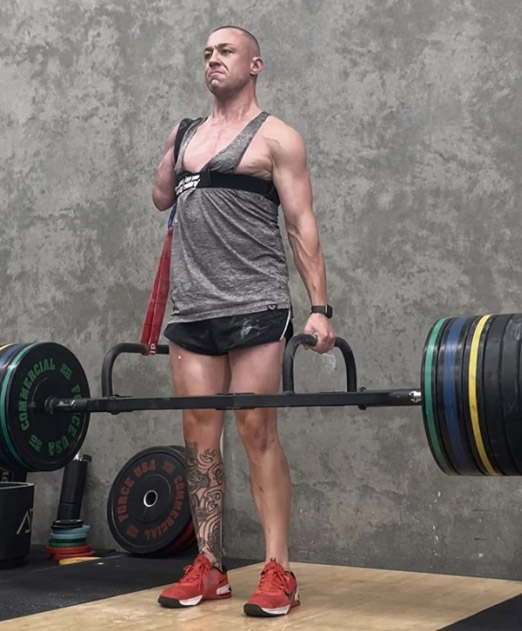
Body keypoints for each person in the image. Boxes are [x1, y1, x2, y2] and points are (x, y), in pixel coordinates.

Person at [151, 25, 335, 618]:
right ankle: (209, 565)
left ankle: (279, 569)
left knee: (257, 432)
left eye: (225, 51)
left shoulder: (277, 138)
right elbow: (161, 198)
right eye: (207, 53)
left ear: (255, 64)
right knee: (199, 439)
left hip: (256, 304)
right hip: (192, 309)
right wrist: (175, 149)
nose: (213, 59)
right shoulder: (185, 134)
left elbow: (301, 224)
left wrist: (319, 309)